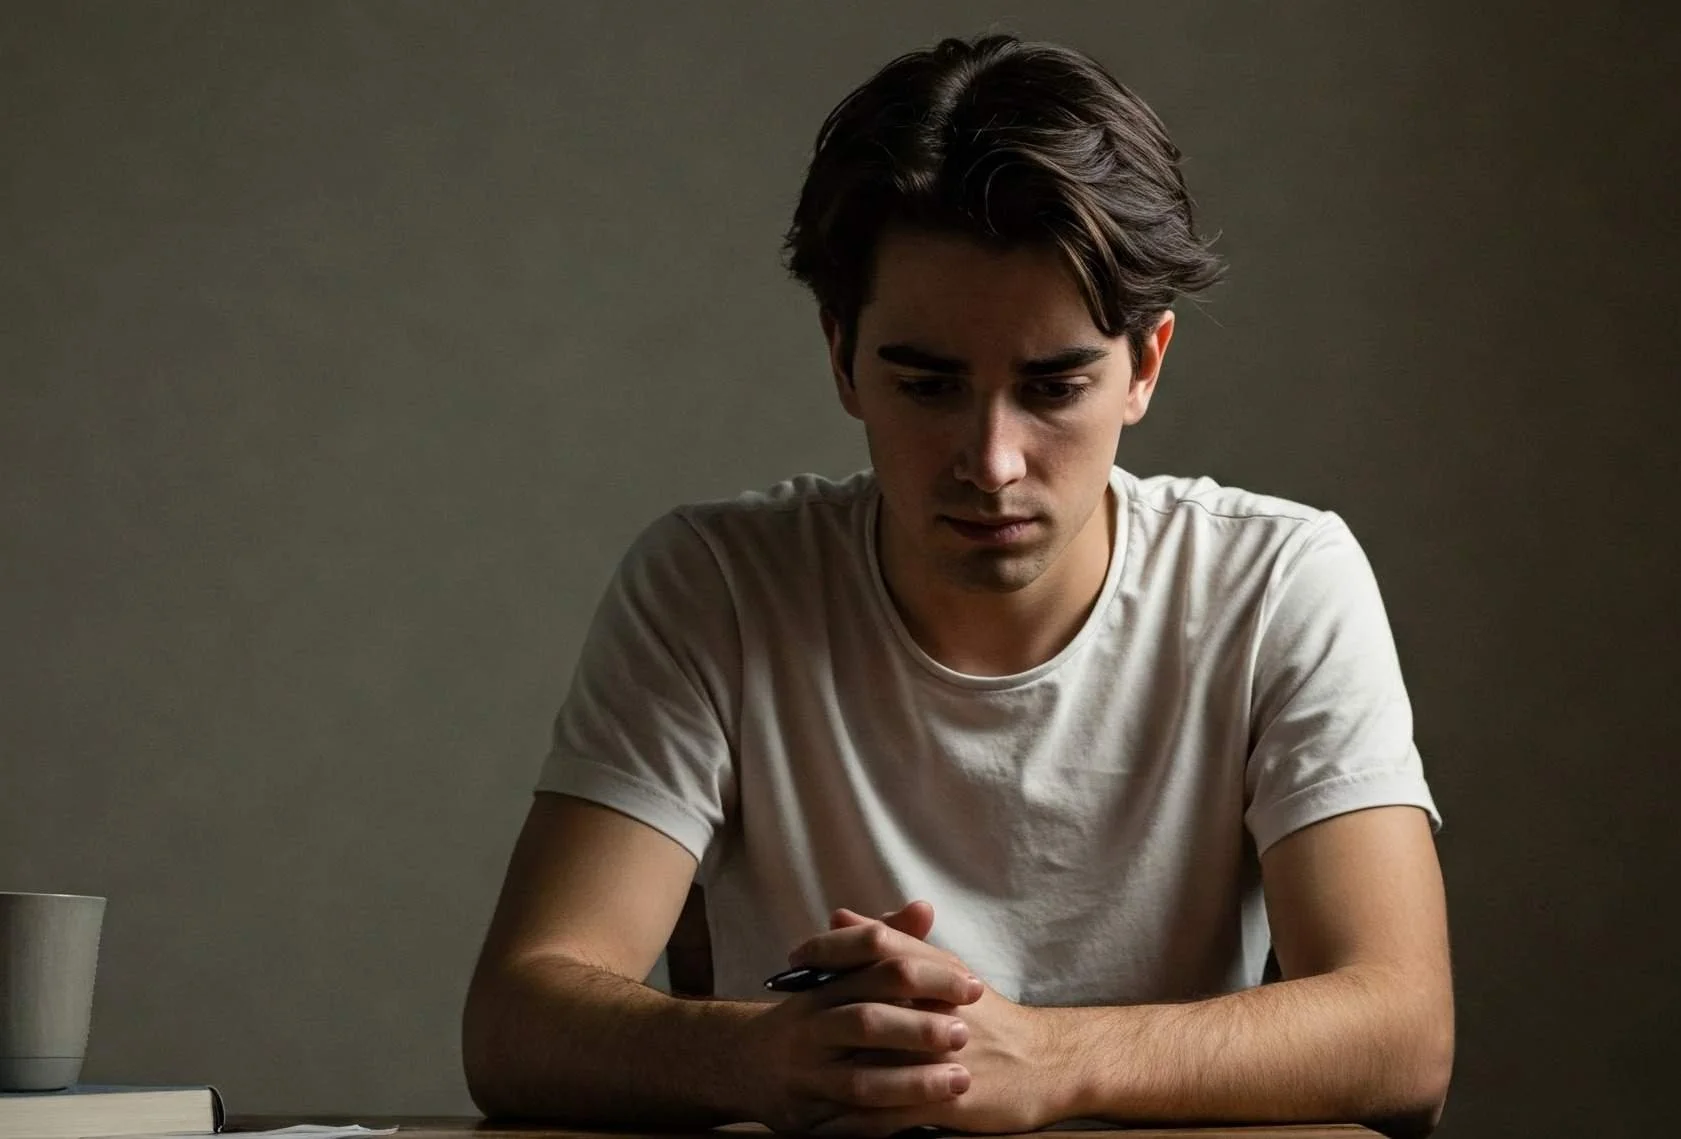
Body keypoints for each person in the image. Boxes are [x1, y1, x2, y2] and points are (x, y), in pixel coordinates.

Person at [462, 32, 1452, 1138]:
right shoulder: (717, 586)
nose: (991, 460)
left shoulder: (1277, 580)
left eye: (1054, 384)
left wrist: (1050, 1060)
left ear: (1146, 364)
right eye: (928, 384)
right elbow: (516, 1018)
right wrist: (765, 1053)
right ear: (842, 358)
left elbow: (1404, 1029)